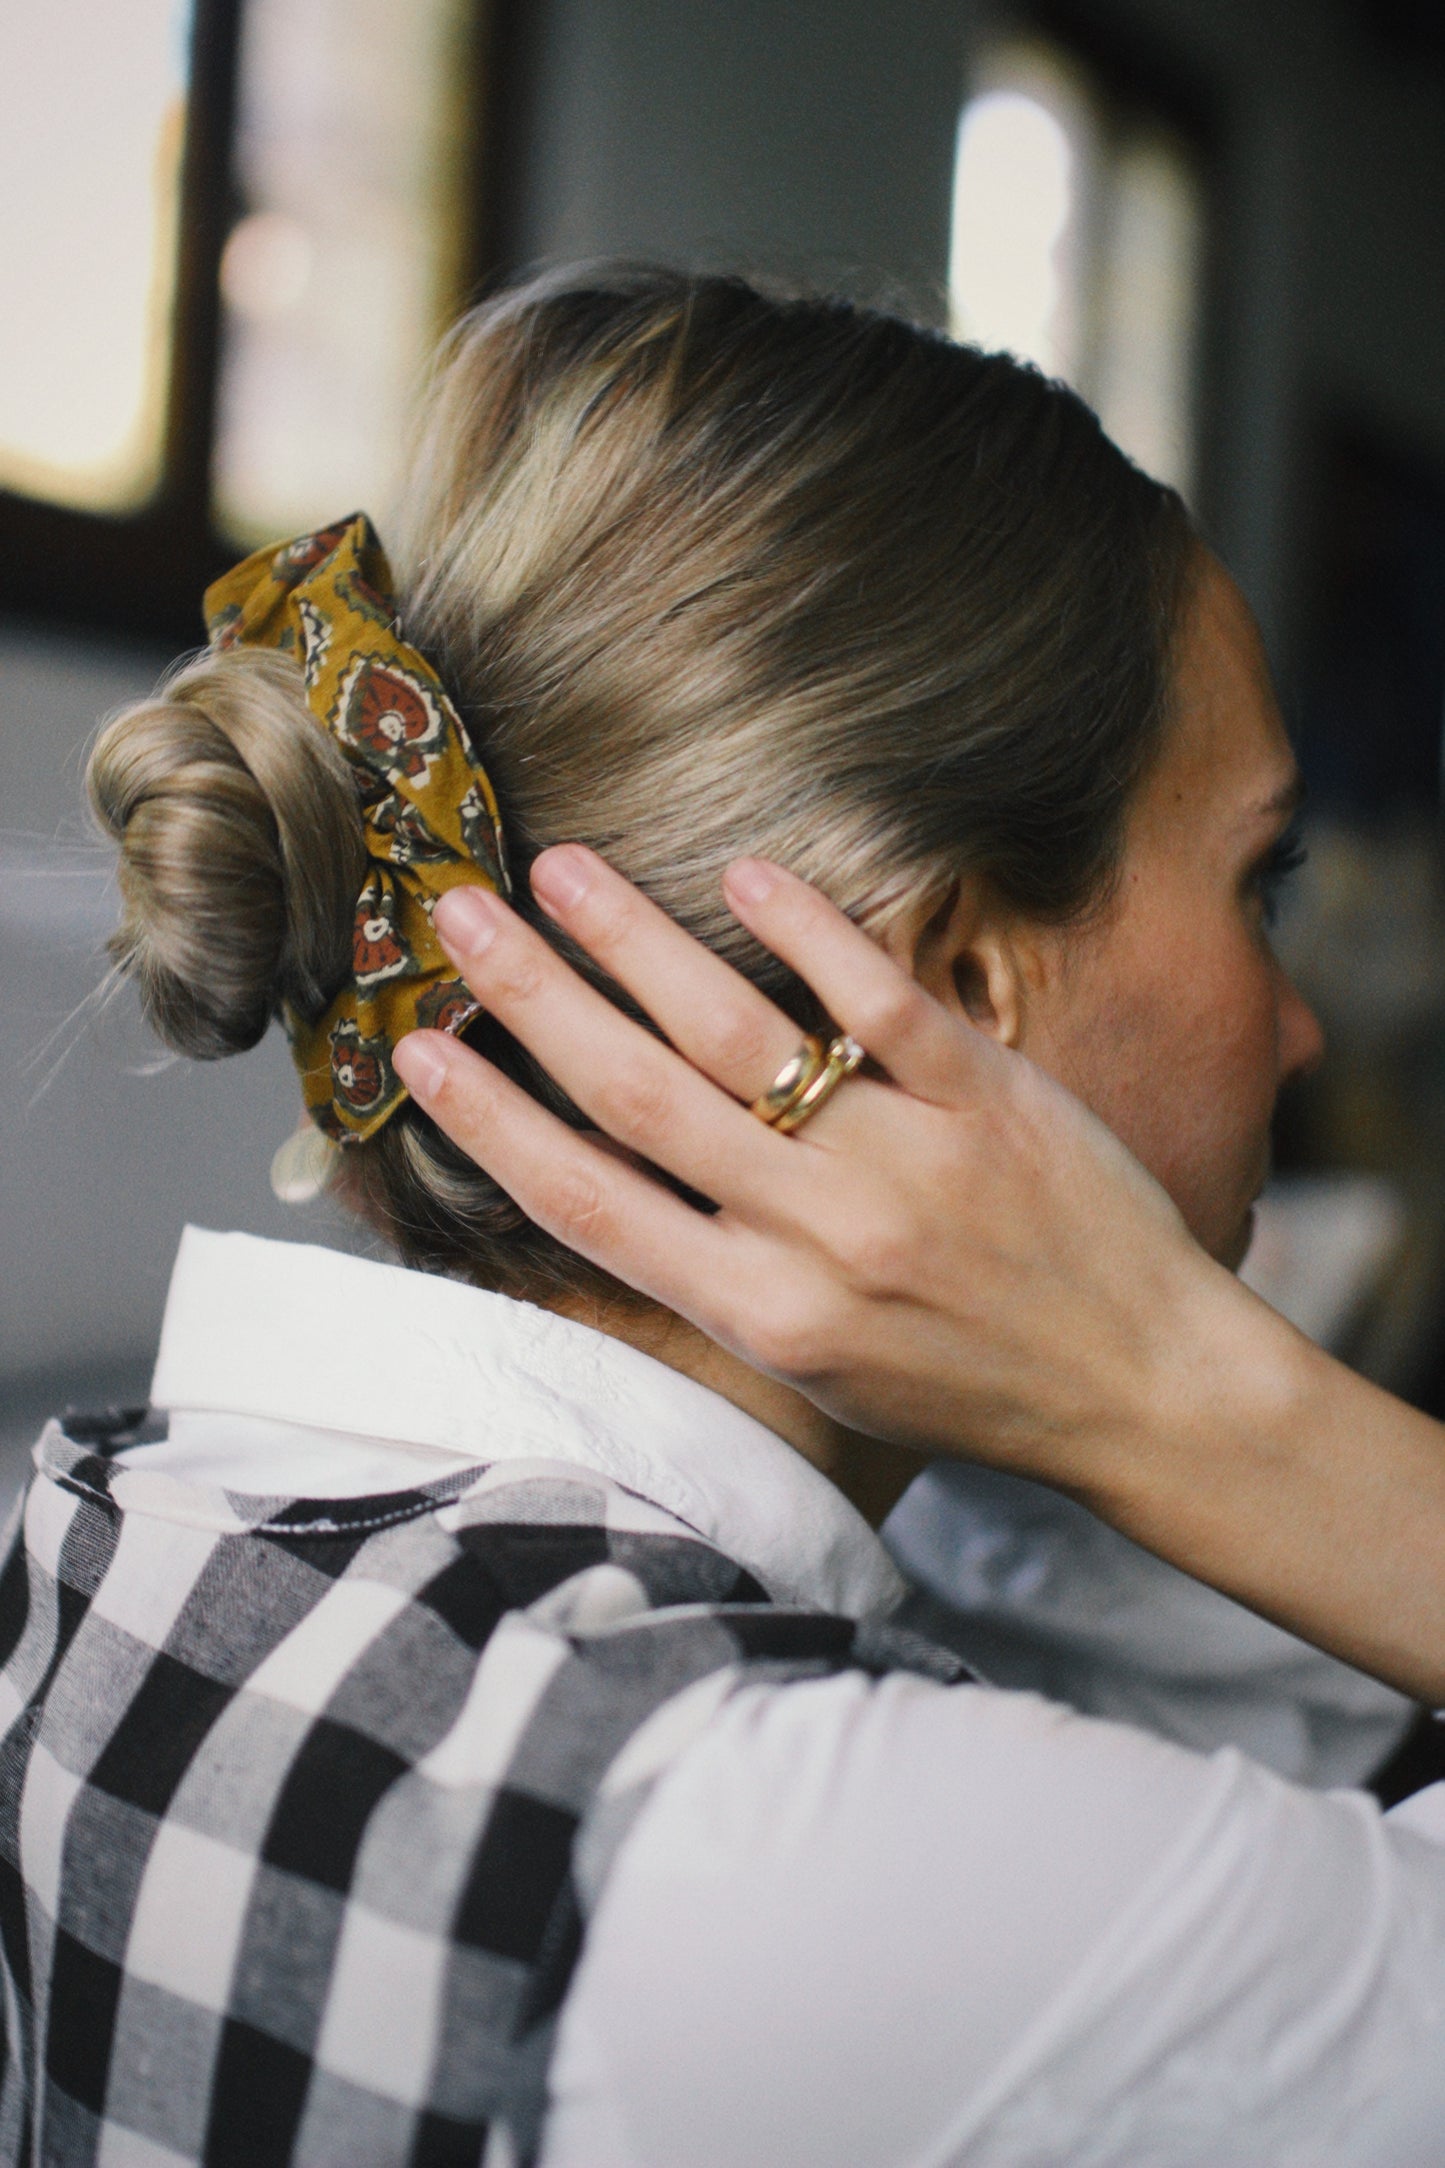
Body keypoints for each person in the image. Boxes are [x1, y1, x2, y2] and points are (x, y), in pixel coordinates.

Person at [10, 264, 1445, 2166]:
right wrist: (1177, 1389)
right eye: (1255, 883)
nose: (1299, 1021)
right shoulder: (837, 1861)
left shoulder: (122, 1509)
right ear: (950, 981)